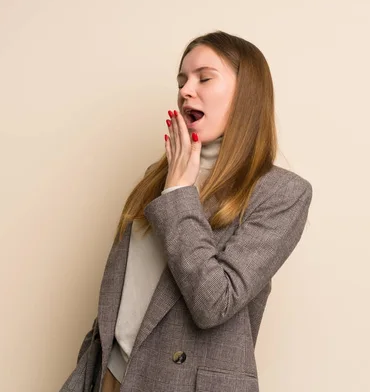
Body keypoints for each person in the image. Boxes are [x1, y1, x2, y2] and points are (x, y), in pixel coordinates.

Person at [59, 30, 313, 392]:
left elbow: (215, 302)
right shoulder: (156, 177)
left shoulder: (282, 193)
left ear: (247, 93)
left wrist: (179, 194)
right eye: (181, 80)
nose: (185, 91)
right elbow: (124, 294)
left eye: (204, 78)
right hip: (113, 377)